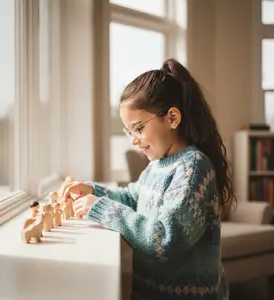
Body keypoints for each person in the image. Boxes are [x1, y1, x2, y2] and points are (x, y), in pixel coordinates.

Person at [63, 58, 235, 300]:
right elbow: (134, 198)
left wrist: (101, 209)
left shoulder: (193, 168)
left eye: (139, 128)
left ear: (173, 118)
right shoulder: (156, 166)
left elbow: (166, 238)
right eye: (128, 131)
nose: (133, 140)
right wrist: (93, 191)